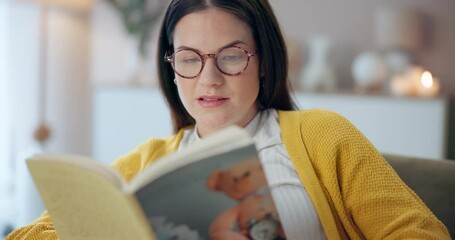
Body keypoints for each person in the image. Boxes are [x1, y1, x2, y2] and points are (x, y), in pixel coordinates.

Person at [7, 0, 450, 239]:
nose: (209, 79)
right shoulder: (147, 163)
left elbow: (420, 233)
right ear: (171, 67)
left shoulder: (322, 136)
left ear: (263, 61)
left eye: (231, 56)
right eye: (189, 60)